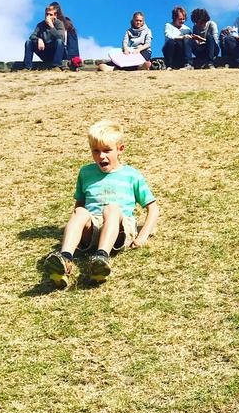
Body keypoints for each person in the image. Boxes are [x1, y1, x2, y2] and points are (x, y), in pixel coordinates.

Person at [43, 120, 159, 288]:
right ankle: (65, 258)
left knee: (111, 208)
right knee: (81, 212)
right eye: (95, 151)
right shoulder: (85, 172)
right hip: (92, 228)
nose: (101, 156)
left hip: (119, 226)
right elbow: (79, 204)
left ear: (120, 149)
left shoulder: (131, 175)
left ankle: (101, 258)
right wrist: (78, 227)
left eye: (107, 151)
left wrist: (142, 236)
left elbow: (153, 208)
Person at [23, 5, 66, 70]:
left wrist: (51, 26)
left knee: (59, 41)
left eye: (50, 14)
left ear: (55, 15)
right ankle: (27, 67)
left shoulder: (59, 24)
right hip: (44, 51)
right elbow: (32, 36)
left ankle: (56, 66)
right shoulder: (40, 25)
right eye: (46, 14)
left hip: (55, 52)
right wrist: (39, 39)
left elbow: (61, 38)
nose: (48, 16)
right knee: (28, 42)